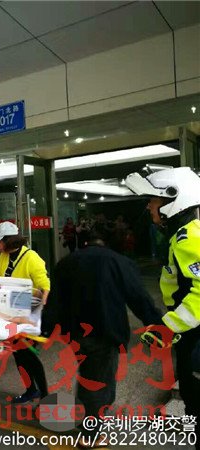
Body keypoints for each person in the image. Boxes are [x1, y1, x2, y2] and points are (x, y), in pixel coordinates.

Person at [42, 229, 163, 448]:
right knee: (99, 383)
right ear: (106, 242)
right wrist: (157, 325)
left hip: (75, 334)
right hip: (105, 333)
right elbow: (139, 298)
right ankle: (90, 435)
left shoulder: (67, 262)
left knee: (90, 376)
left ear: (85, 242)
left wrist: (45, 330)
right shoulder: (119, 262)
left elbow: (55, 302)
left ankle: (89, 420)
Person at [126, 166, 200, 448]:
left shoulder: (188, 237)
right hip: (191, 330)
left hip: (195, 333)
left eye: (153, 200)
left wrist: (167, 327)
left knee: (195, 395)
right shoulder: (185, 233)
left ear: (173, 199)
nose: (149, 206)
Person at [0, 221, 50, 404]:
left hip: (28, 311)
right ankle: (31, 390)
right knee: (18, 353)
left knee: (28, 354)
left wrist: (37, 307)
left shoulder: (31, 257)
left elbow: (44, 286)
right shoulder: (3, 256)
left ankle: (44, 395)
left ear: (9, 240)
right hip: (9, 310)